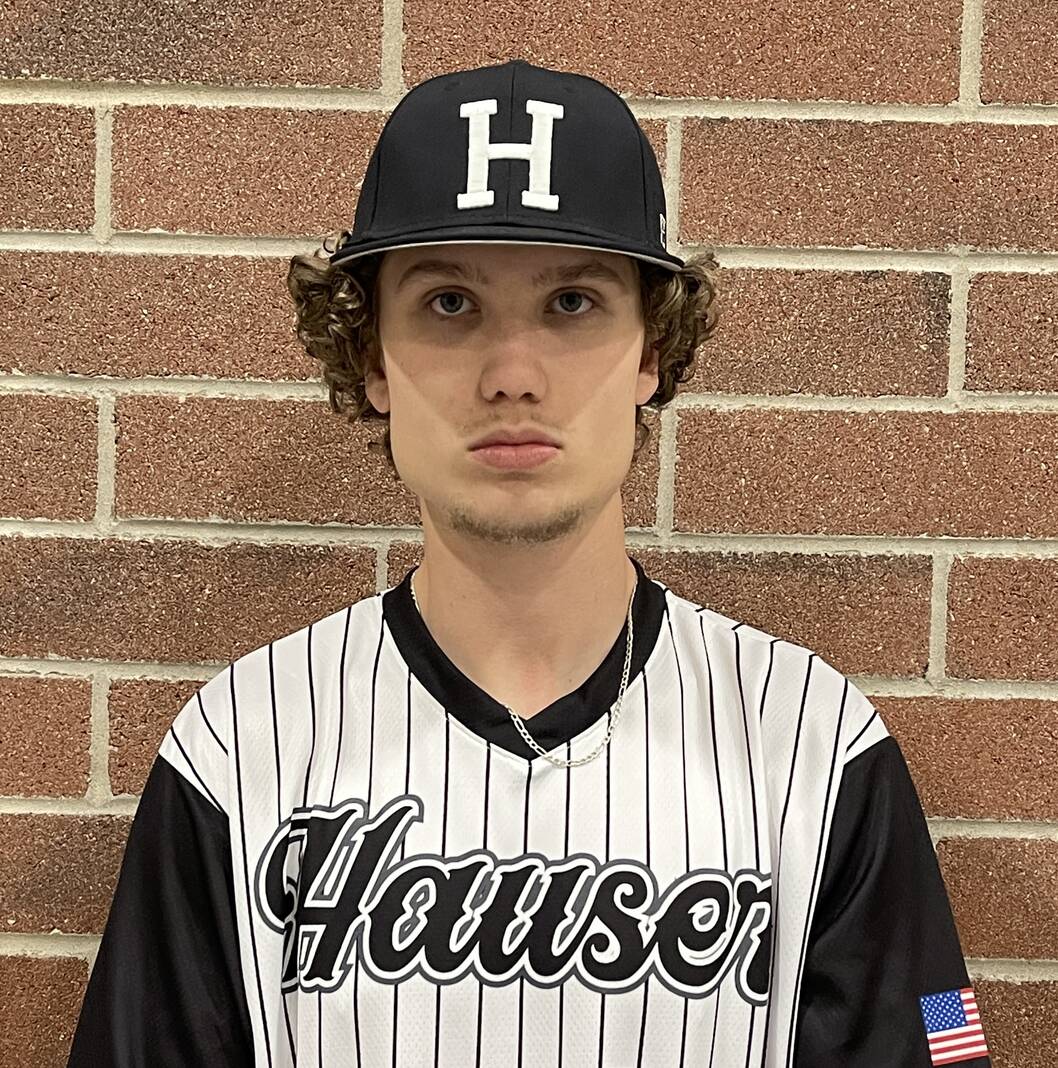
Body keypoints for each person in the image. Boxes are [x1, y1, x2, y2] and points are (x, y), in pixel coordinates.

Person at [66, 58, 992, 1067]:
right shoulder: (236, 750)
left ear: (650, 349)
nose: (512, 376)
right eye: (449, 304)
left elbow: (942, 1037)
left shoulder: (816, 742)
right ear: (372, 357)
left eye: (572, 303)